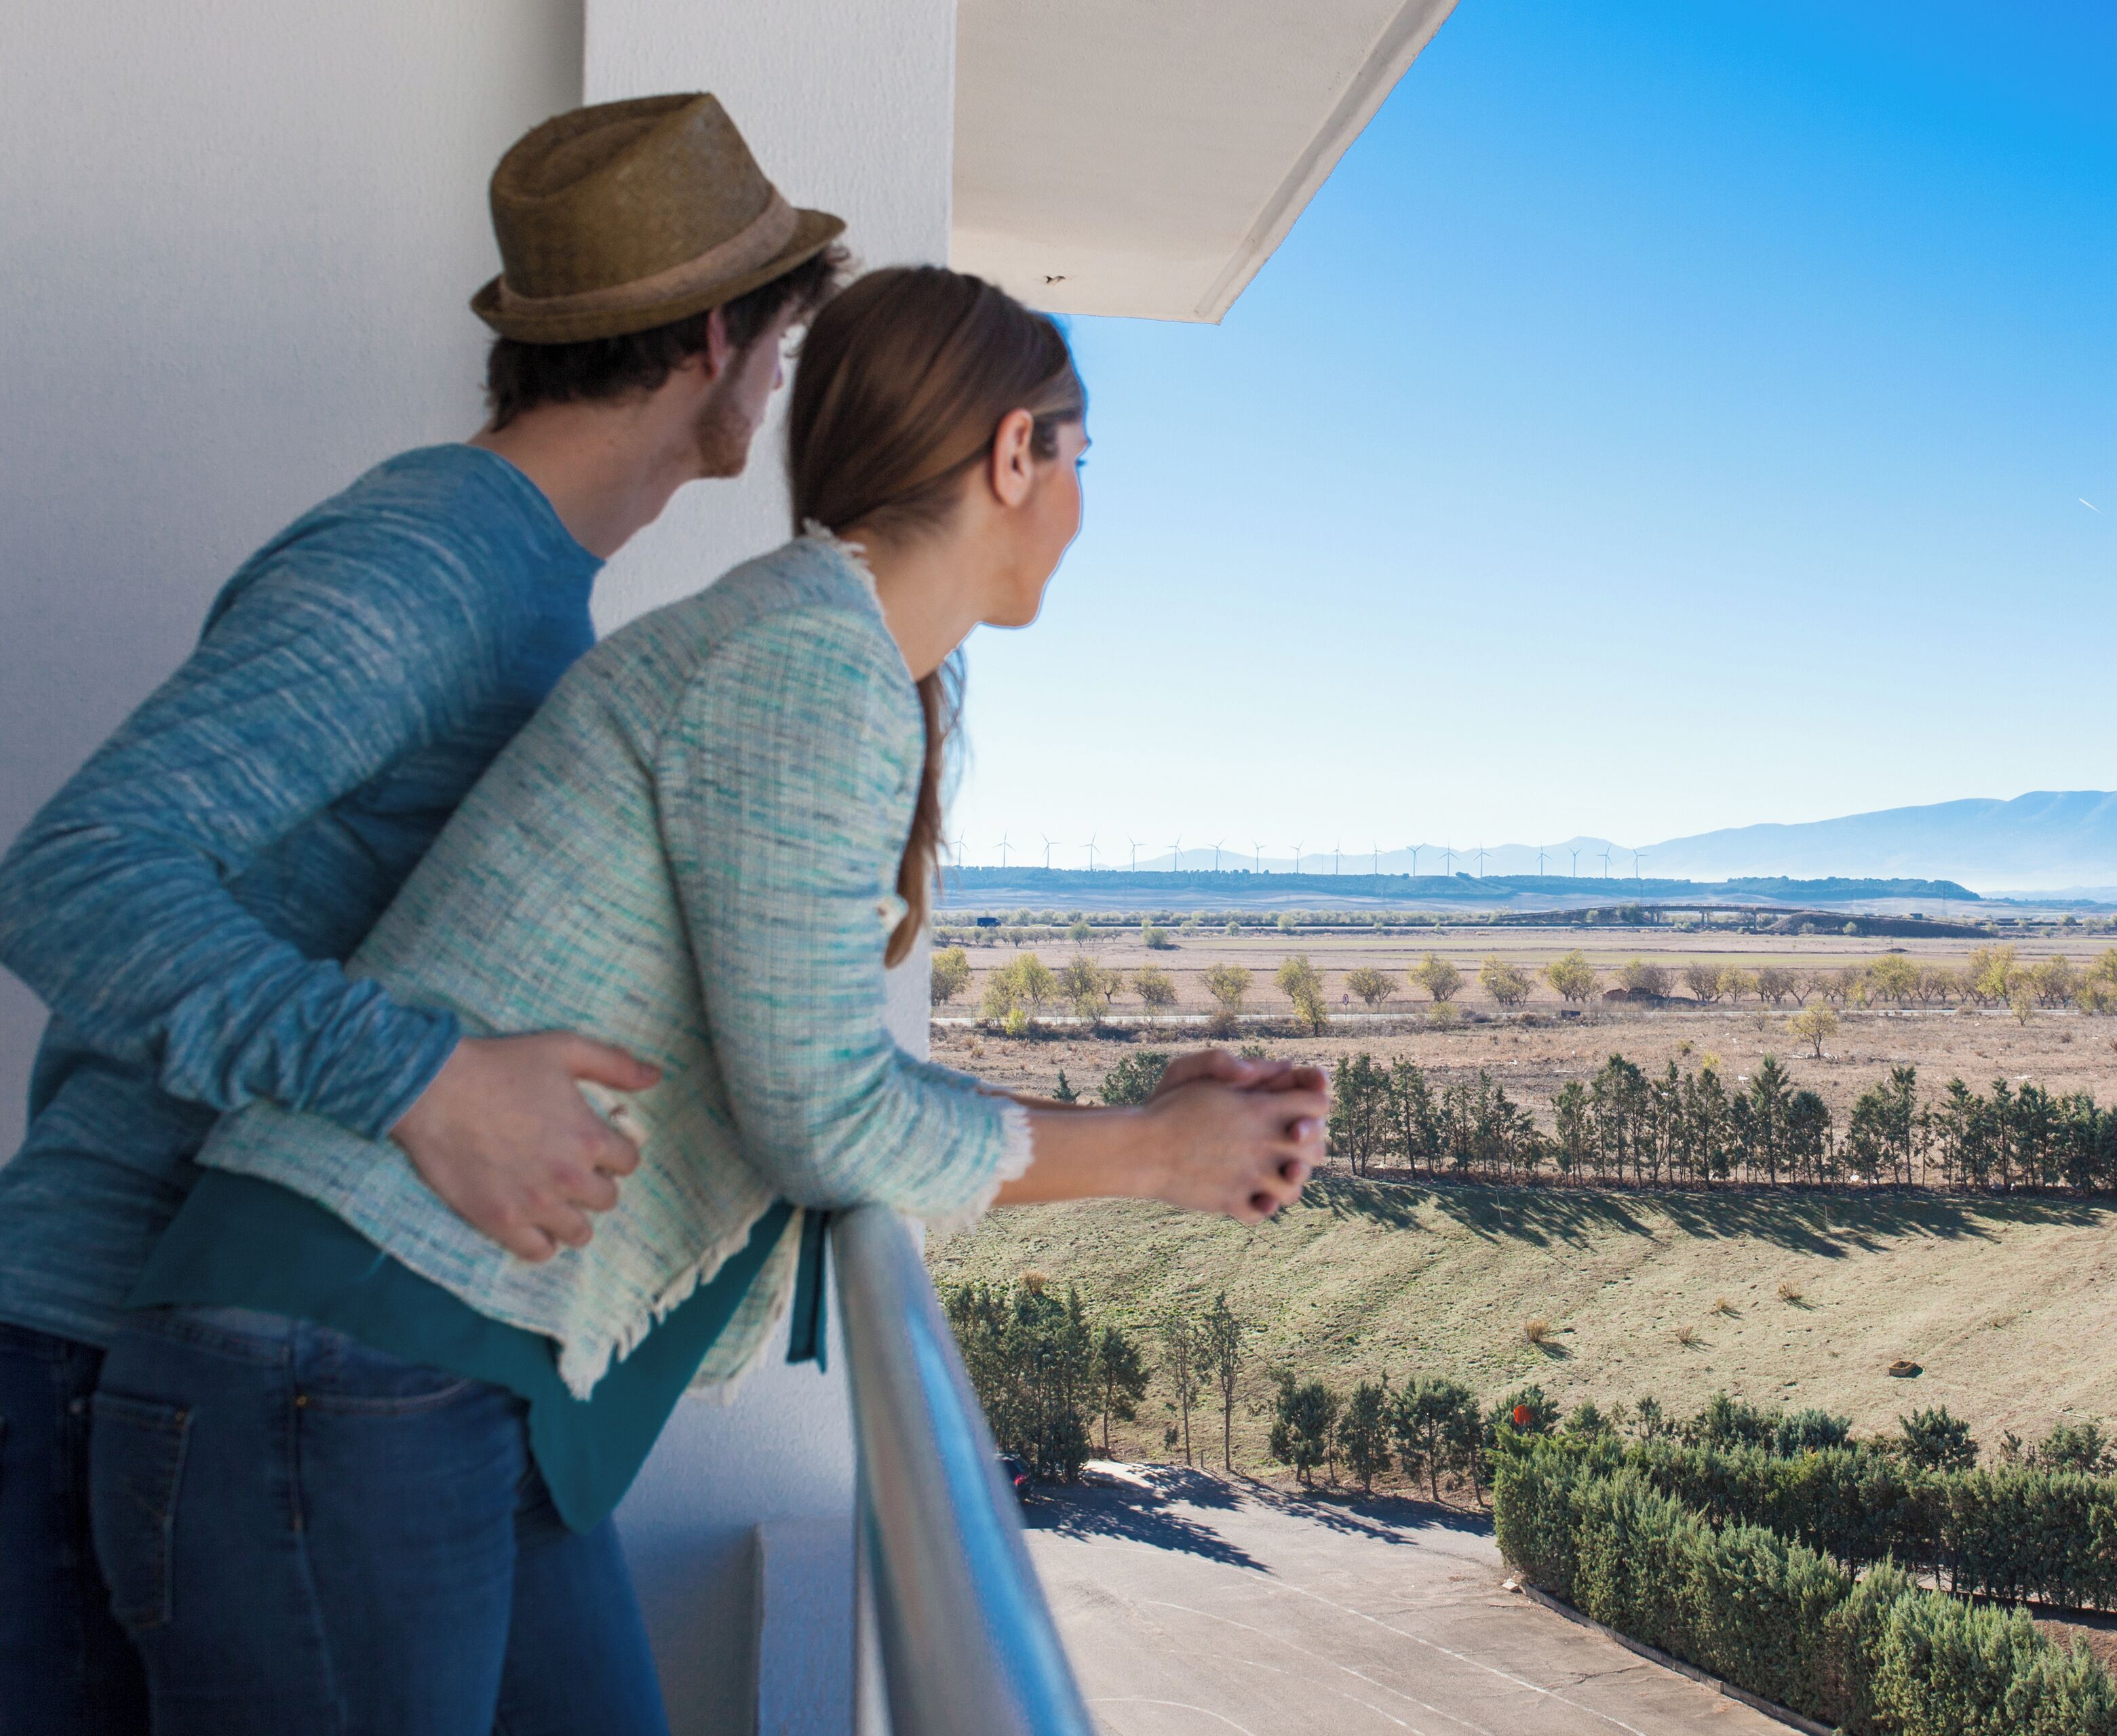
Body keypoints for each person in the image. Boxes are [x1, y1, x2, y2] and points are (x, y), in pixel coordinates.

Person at [86, 263, 1331, 1734]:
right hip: (345, 1366)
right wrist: (1155, 1152)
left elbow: (812, 1065)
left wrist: (1142, 1116)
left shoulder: (819, 649)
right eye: (1081, 457)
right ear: (1015, 453)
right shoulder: (811, 659)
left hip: (436, 1374)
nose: (1079, 501)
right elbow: (823, 1115)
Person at [0, 93, 844, 1733]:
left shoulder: (527, 580)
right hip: (99, 1354)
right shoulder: (437, 555)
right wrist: (428, 1078)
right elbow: (75, 870)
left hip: (345, 1354)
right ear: (724, 340)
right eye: (781, 348)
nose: (777, 388)